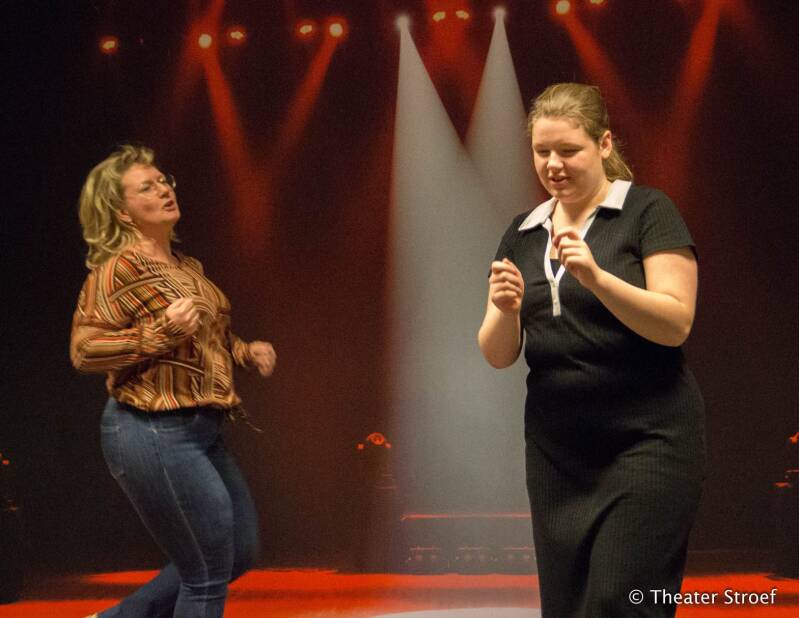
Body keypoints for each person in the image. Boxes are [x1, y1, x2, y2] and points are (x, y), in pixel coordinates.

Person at [478, 83, 704, 617]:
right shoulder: (523, 232)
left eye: (568, 151)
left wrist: (598, 278)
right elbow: (496, 353)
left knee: (620, 601)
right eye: (541, 152)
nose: (553, 165)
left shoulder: (647, 211)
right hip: (559, 453)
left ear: (603, 144)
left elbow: (676, 323)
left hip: (647, 439)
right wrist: (506, 310)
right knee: (568, 606)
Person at [70, 145, 276, 618]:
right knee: (205, 574)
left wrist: (246, 352)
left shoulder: (187, 269)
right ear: (122, 211)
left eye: (165, 181)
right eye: (148, 186)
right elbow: (83, 350)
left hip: (203, 428)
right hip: (150, 428)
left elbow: (209, 337)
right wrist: (160, 332)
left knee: (238, 551)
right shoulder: (117, 270)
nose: (164, 189)